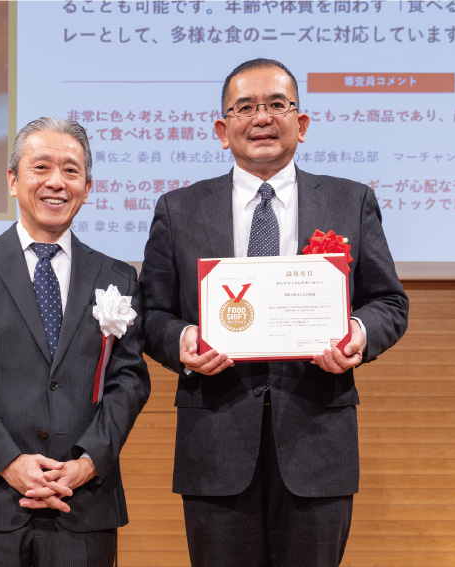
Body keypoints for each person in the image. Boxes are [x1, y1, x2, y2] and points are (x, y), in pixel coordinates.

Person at [139, 58, 409, 567]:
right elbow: (150, 313)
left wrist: (357, 333)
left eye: (277, 105)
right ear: (222, 130)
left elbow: (390, 303)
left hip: (317, 443)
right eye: (245, 108)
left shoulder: (351, 201)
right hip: (216, 445)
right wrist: (183, 343)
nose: (261, 118)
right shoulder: (178, 210)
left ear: (301, 124)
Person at [0, 117, 150, 567]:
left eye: (71, 171)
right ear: (13, 180)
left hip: (82, 503)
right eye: (41, 167)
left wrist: (87, 463)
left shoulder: (117, 276)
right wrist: (10, 462)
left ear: (87, 187)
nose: (56, 183)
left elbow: (130, 382)